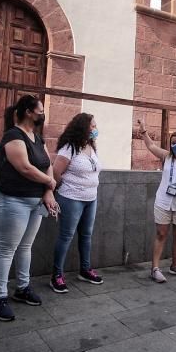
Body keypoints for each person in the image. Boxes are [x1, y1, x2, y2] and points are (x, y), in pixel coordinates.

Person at [0, 95, 59, 321]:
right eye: (40, 109)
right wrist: (49, 183)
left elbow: (48, 165)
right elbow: (24, 168)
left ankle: (22, 287)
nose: (42, 113)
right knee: (7, 248)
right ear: (28, 112)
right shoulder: (13, 136)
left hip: (35, 200)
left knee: (25, 246)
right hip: (13, 199)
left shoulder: (36, 138)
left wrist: (48, 190)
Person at [137, 118, 176, 283]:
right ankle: (155, 268)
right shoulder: (166, 157)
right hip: (163, 202)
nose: (175, 146)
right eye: (173, 143)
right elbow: (151, 146)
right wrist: (144, 131)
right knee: (161, 233)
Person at [50, 113, 102, 293]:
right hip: (71, 198)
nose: (95, 129)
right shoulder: (69, 148)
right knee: (66, 236)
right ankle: (57, 275)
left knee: (86, 235)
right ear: (83, 128)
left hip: (91, 198)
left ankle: (85, 270)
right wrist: (64, 185)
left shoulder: (91, 147)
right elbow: (56, 171)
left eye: (95, 126)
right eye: (92, 126)